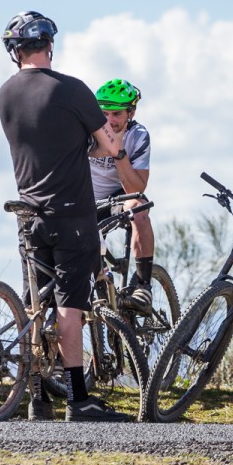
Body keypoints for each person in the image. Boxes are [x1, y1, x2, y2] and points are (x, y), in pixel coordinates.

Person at [0, 10, 128, 422]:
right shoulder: (72, 90)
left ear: (14, 52)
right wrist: (87, 148)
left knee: (36, 303)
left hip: (28, 214)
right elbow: (107, 147)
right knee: (69, 307)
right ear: (50, 46)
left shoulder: (5, 94)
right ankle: (77, 398)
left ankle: (38, 398)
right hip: (71, 212)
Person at [89, 79, 154, 311]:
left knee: (139, 207)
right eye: (104, 113)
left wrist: (118, 152)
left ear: (131, 112)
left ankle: (144, 286)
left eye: (116, 114)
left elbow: (136, 188)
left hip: (119, 197)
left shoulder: (138, 135)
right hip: (87, 199)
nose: (109, 120)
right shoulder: (88, 132)